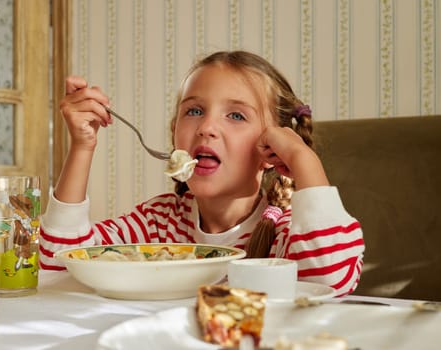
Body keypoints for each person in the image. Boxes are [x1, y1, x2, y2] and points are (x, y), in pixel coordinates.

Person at [40, 50, 365, 296]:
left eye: (236, 116)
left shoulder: (286, 233)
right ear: (174, 133)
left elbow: (330, 283)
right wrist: (83, 146)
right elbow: (57, 265)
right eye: (194, 111)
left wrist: (303, 159)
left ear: (270, 148)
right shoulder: (157, 223)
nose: (207, 128)